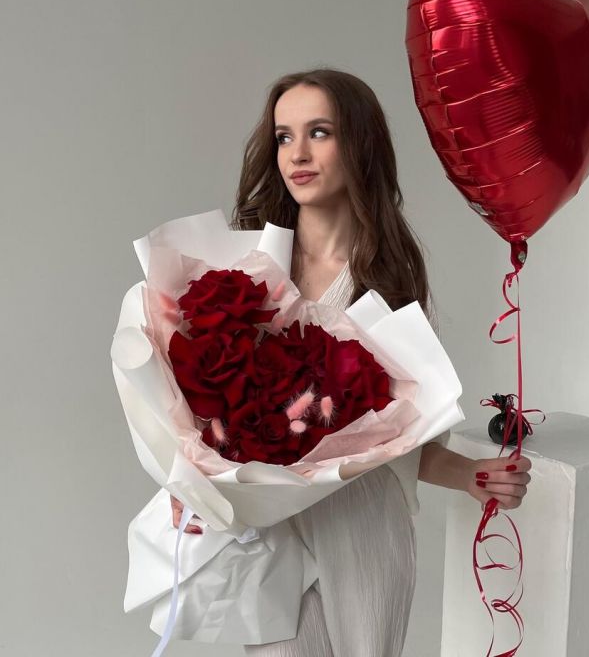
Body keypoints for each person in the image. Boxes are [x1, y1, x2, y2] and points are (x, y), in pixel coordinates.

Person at [170, 68, 532, 656]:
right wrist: (194, 485)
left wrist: (470, 476)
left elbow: (401, 436)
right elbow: (204, 410)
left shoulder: (386, 282)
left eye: (320, 132)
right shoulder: (247, 268)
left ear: (358, 144)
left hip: (362, 517)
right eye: (284, 136)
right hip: (272, 520)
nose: (297, 154)